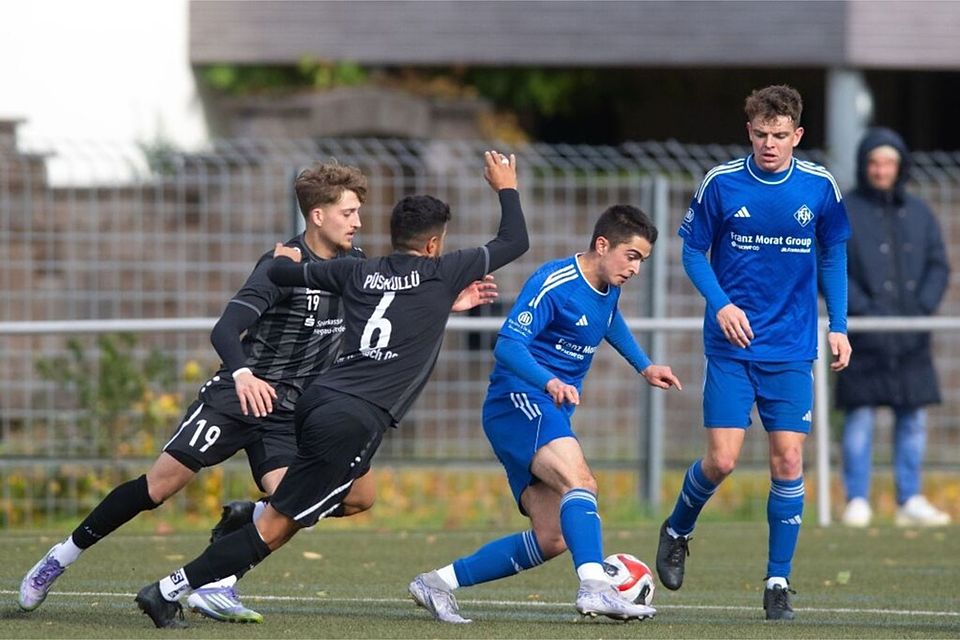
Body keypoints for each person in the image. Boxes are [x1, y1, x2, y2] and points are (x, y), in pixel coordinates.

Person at [17, 162, 495, 624]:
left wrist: (448, 303)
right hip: (238, 396)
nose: (358, 221)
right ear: (318, 215)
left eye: (359, 212)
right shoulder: (281, 263)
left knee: (350, 500)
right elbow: (226, 330)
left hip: (294, 410)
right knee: (158, 487)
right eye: (349, 212)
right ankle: (61, 557)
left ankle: (223, 568)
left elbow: (391, 321)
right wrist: (244, 375)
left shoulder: (357, 266)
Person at [132, 150, 529, 629]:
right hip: (354, 416)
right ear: (432, 246)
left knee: (361, 495)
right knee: (279, 525)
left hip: (322, 399)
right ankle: (169, 589)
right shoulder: (443, 272)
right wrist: (505, 183)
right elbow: (515, 239)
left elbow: (283, 273)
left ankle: (252, 515)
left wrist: (279, 262)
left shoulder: (358, 271)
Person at [409, 205, 682, 624]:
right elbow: (508, 344)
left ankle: (437, 583)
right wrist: (548, 381)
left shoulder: (608, 289)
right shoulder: (555, 282)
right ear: (602, 244)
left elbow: (609, 322)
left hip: (546, 410)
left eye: (642, 260)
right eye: (632, 256)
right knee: (581, 481)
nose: (636, 268)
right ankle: (595, 587)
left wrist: (645, 365)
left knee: (552, 537)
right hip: (519, 401)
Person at [656, 85, 852, 621]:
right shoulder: (722, 184)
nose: (770, 143)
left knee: (789, 459)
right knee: (721, 460)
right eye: (762, 134)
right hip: (732, 345)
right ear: (750, 132)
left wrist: (839, 325)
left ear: (798, 136)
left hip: (791, 348)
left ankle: (777, 583)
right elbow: (693, 252)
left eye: (781, 135)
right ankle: (677, 528)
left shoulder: (819, 187)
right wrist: (720, 304)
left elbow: (833, 256)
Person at [837, 128, 951, 529]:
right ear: (864, 166)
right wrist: (863, 311)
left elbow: (939, 264)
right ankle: (857, 500)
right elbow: (831, 267)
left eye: (888, 163)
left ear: (899, 166)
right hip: (864, 339)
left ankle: (909, 499)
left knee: (913, 420)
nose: (881, 170)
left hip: (911, 338)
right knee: (860, 420)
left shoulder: (920, 213)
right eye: (874, 163)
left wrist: (921, 307)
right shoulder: (845, 210)